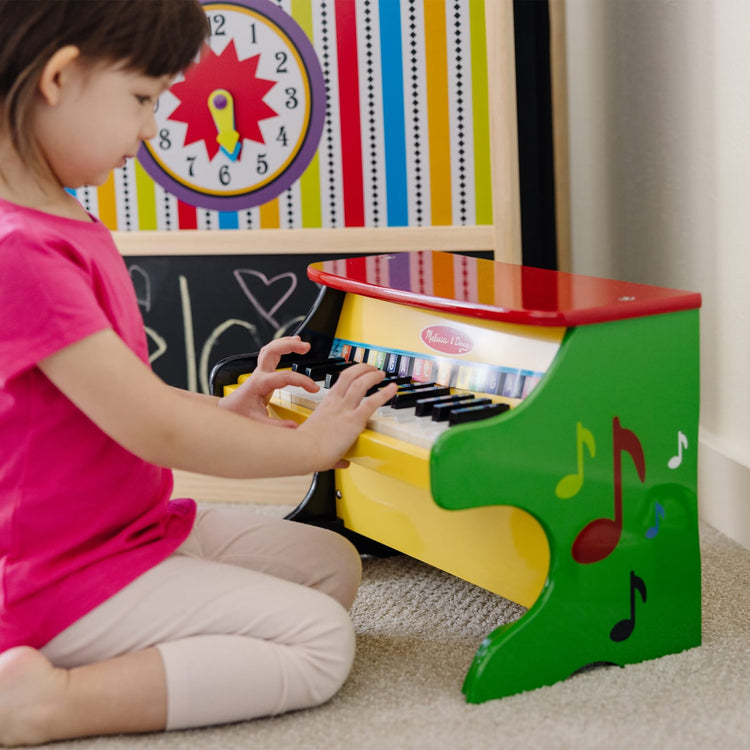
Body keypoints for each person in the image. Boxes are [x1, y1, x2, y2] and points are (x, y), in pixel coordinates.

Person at [0, 1, 398, 745]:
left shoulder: (62, 219)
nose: (151, 129)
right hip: (59, 574)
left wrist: (229, 407)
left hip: (130, 529)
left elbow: (123, 395)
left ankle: (122, 648)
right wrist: (309, 449)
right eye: (143, 98)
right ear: (59, 77)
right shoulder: (20, 252)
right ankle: (41, 701)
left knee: (330, 568)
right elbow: (150, 428)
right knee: (317, 642)